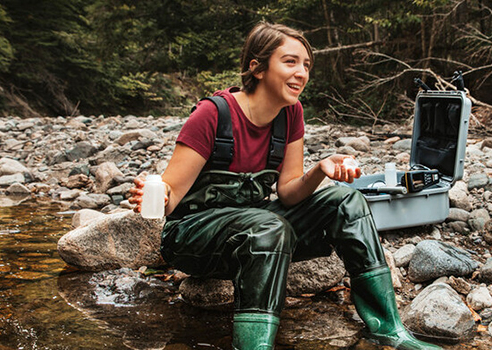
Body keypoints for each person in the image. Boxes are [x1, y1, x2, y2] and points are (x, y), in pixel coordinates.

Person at [129, 22, 441, 350]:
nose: (302, 73)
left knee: (345, 201)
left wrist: (320, 171)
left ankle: (388, 328)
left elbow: (289, 192)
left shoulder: (291, 114)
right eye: (290, 62)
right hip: (191, 239)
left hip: (254, 233)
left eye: (306, 65)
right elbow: (171, 194)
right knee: (269, 226)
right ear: (257, 67)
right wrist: (159, 193)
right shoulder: (212, 115)